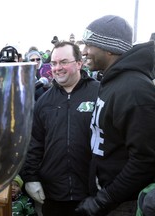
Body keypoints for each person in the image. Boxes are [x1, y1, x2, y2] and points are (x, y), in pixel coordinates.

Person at [75, 15, 155, 216]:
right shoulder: (112, 81)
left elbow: (146, 161)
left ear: (109, 48)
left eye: (90, 44)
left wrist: (104, 200)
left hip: (125, 204)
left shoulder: (135, 90)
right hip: (111, 198)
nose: (84, 51)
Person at [20, 40, 100, 216]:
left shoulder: (99, 93)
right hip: (53, 194)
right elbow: (34, 143)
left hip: (92, 194)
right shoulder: (44, 101)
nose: (57, 68)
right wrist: (30, 178)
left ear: (79, 63)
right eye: (54, 63)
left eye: (64, 62)